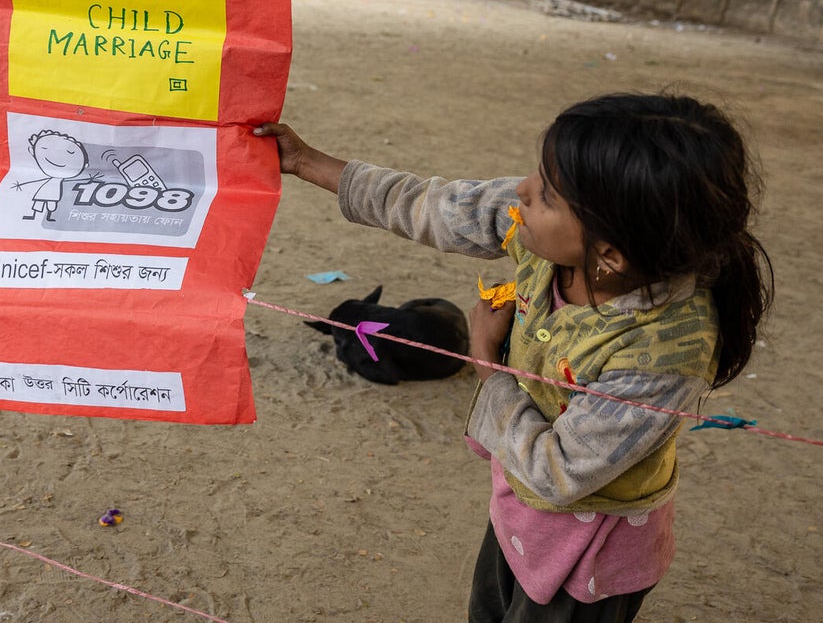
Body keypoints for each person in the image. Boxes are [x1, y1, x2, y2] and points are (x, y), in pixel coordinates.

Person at [255, 93, 773, 622]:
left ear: (609, 255)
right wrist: (303, 160)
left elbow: (557, 472)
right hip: (520, 511)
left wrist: (485, 358)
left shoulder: (662, 354)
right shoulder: (549, 228)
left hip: (592, 553)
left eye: (546, 193)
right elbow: (430, 205)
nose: (521, 191)